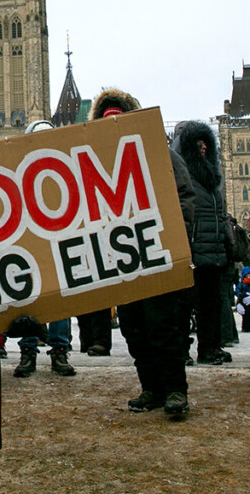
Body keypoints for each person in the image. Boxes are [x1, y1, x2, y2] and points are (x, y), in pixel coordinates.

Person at [90, 89, 197, 417]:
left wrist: (175, 238)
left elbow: (184, 196)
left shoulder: (156, 150)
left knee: (162, 324)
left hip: (156, 253)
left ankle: (176, 390)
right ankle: (151, 387)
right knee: (133, 326)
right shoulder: (95, 159)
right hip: (122, 259)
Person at [12, 121, 75, 379]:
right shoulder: (18, 168)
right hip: (31, 245)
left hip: (59, 242)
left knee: (60, 299)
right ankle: (28, 351)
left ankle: (60, 350)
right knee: (29, 301)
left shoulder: (65, 166)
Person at [173, 119, 232, 366]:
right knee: (182, 307)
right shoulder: (181, 171)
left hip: (213, 250)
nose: (204, 147)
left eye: (206, 142)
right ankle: (180, 352)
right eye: (199, 143)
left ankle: (209, 347)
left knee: (210, 304)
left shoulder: (211, 175)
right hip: (192, 248)